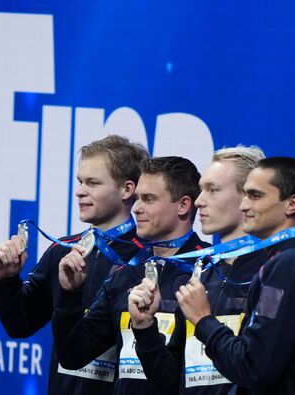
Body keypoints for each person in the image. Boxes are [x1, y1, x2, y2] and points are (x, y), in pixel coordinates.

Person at [0, 135, 149, 394]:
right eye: (79, 182)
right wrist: (6, 280)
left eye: (92, 183)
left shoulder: (147, 259)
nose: (79, 191)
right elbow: (20, 324)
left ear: (127, 190)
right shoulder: (62, 251)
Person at [52, 156, 210, 395]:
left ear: (183, 205)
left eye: (148, 199)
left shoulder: (208, 272)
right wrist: (69, 294)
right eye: (136, 198)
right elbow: (73, 355)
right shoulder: (126, 272)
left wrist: (146, 327)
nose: (136, 208)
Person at [177, 157, 295, 394]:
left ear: (292, 204)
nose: (244, 206)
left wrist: (203, 320)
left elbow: (252, 368)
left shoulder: (287, 266)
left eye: (255, 196)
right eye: (245, 195)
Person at [129, 146, 267, 394]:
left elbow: (262, 370)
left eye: (212, 190)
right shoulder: (199, 276)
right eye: (202, 189)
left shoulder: (272, 273)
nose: (199, 201)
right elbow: (169, 382)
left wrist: (204, 321)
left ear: (250, 198)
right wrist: (145, 328)